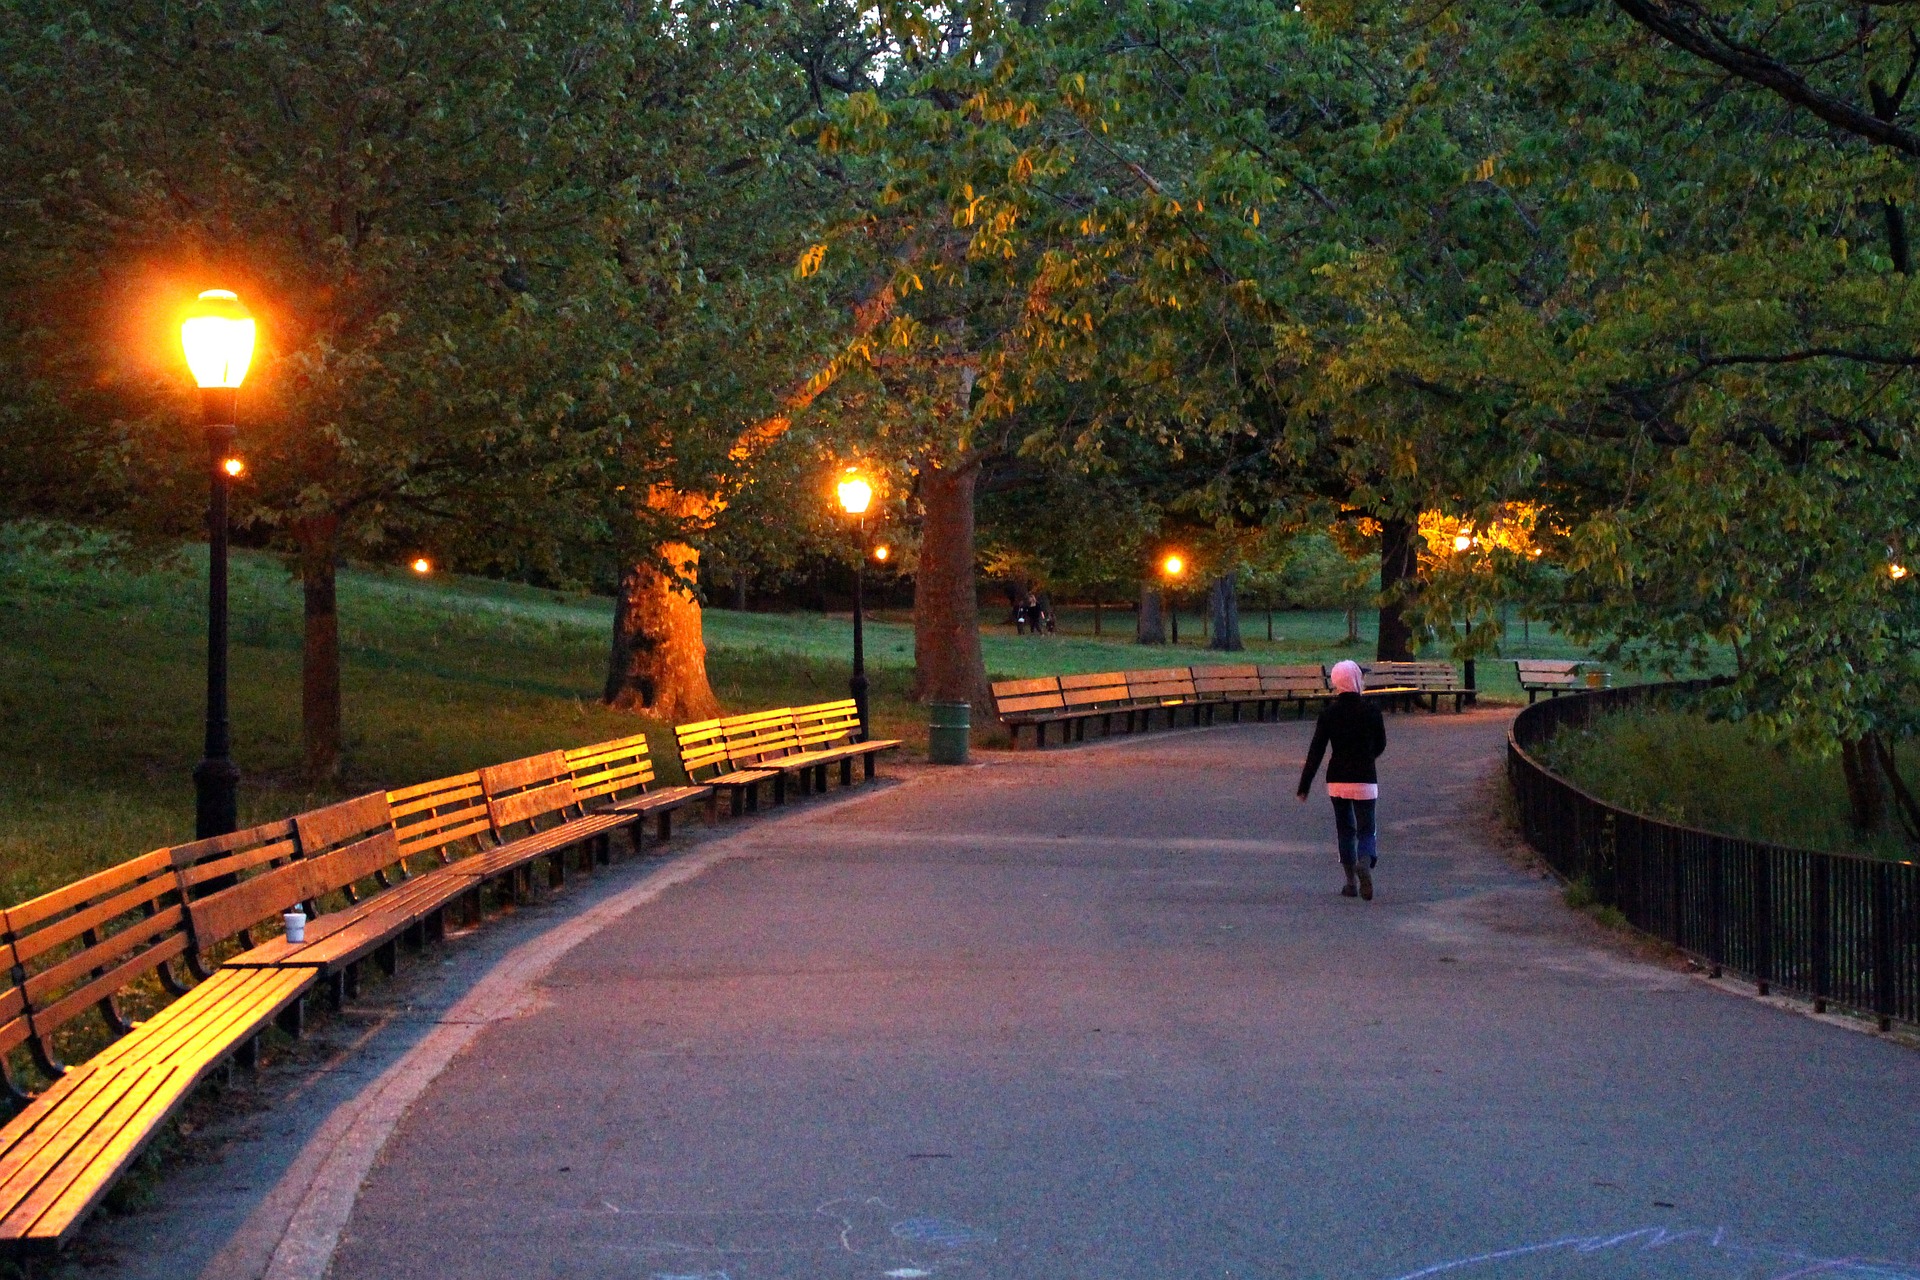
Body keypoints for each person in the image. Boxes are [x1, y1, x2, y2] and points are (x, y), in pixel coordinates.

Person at [1296, 659, 1387, 900]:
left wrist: (1304, 785)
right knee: (1367, 829)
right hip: (1365, 778)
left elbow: (1316, 751)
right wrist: (1368, 756)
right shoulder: (1372, 711)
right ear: (1356, 680)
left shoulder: (1329, 713)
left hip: (1337, 779)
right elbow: (1381, 744)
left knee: (1345, 830)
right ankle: (1364, 863)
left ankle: (1350, 883)